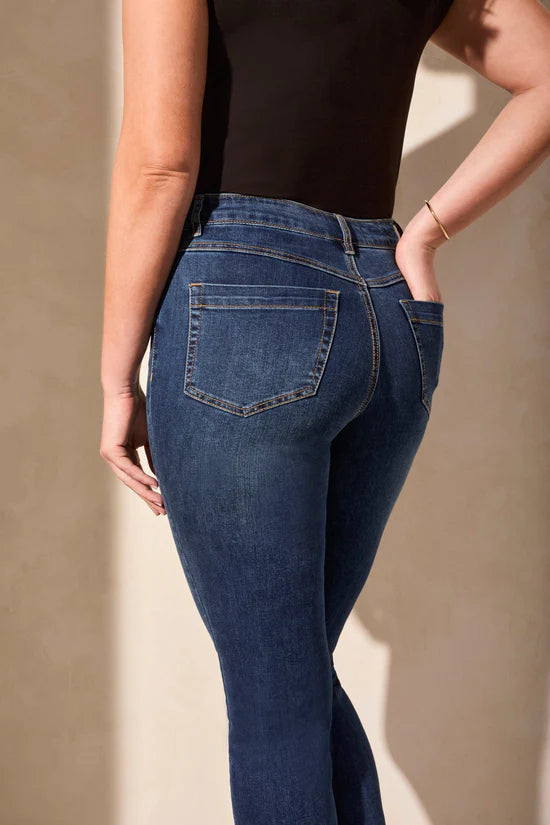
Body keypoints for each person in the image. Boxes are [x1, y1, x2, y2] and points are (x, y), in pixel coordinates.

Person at [100, 0, 550, 822]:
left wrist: (116, 377)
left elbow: (162, 163)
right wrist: (423, 236)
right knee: (294, 682)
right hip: (389, 312)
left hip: (242, 304)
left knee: (276, 704)